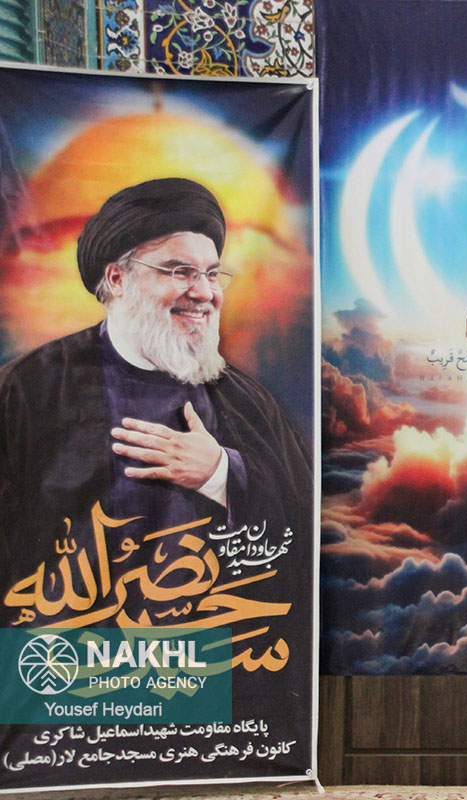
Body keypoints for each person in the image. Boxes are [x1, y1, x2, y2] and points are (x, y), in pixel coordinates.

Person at [0, 177, 312, 627]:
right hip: (63, 657)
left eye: (211, 274)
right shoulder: (27, 390)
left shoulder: (248, 403)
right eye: (180, 271)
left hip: (207, 656)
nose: (204, 293)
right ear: (117, 278)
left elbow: (301, 530)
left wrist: (220, 473)